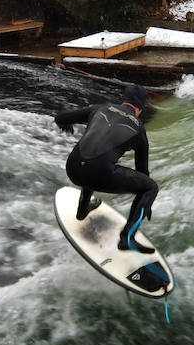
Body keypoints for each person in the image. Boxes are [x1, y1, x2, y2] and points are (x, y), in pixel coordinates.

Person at [55, 84, 158, 254]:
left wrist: (67, 126)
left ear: (125, 100)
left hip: (72, 168)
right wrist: (145, 203)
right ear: (141, 107)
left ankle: (82, 210)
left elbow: (61, 118)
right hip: (97, 174)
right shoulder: (139, 129)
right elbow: (142, 173)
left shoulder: (100, 108)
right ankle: (127, 238)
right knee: (150, 187)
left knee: (93, 162)